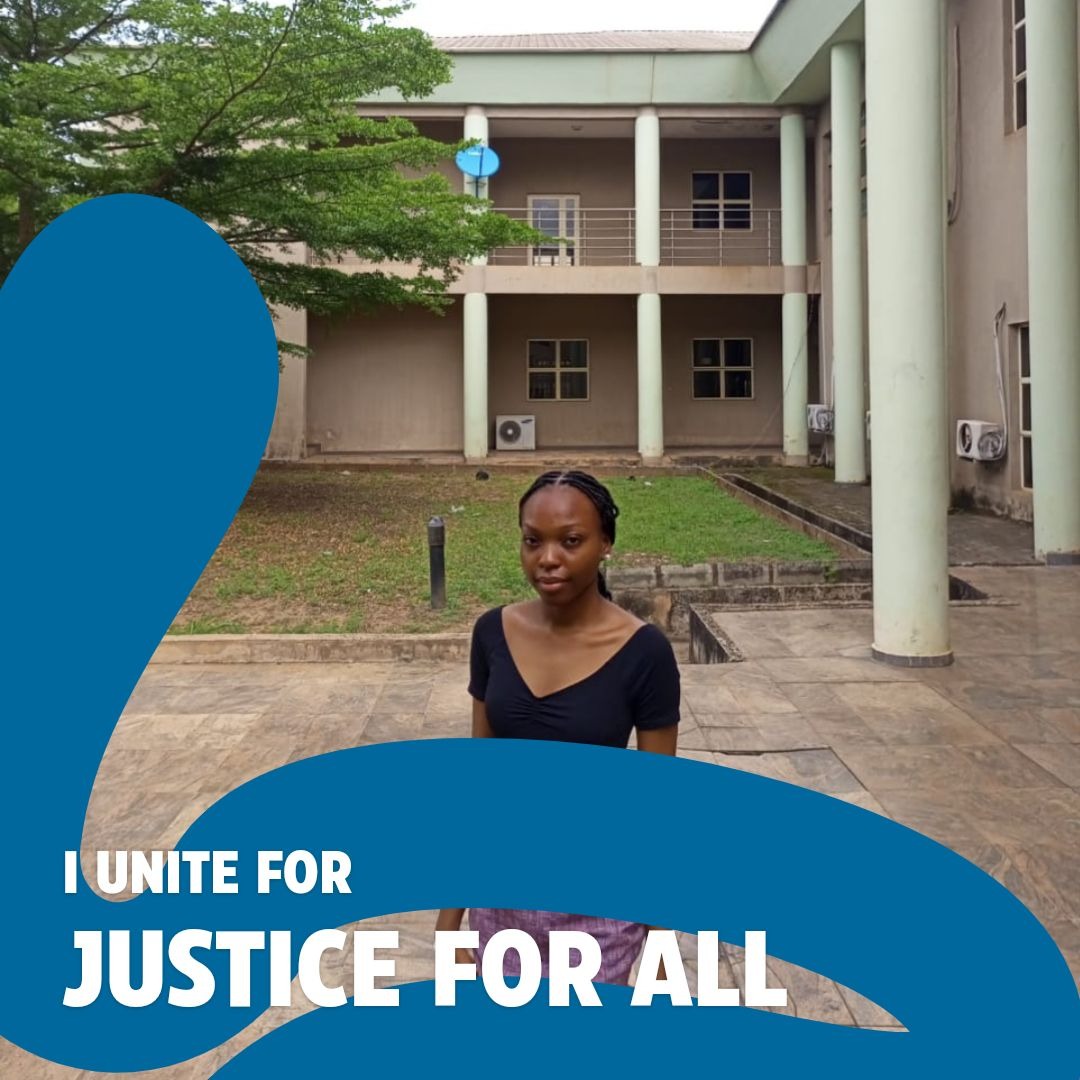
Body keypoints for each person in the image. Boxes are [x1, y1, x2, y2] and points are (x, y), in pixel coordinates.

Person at [435, 469, 680, 986]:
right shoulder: (492, 633)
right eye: (533, 541)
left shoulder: (644, 652)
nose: (548, 558)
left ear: (605, 544)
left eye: (571, 541)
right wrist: (449, 922)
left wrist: (661, 950)